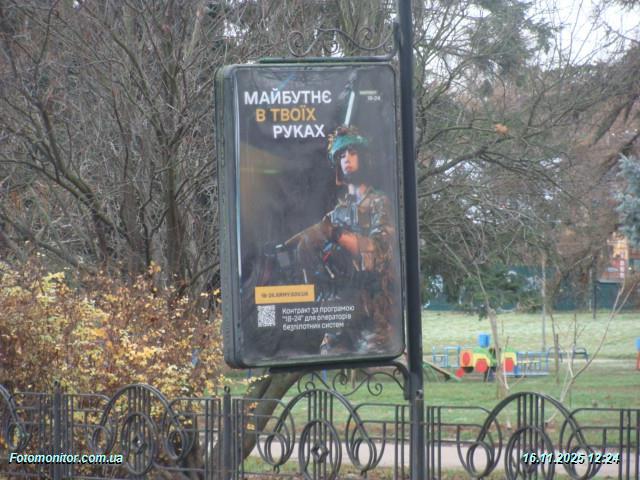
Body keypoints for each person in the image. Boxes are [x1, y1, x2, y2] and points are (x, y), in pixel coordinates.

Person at [296, 126, 400, 355]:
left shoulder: (379, 203)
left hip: (375, 313)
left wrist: (337, 235)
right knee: (329, 356)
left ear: (364, 158)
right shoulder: (336, 214)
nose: (347, 160)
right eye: (342, 155)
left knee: (374, 361)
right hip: (340, 310)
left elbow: (381, 253)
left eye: (352, 153)